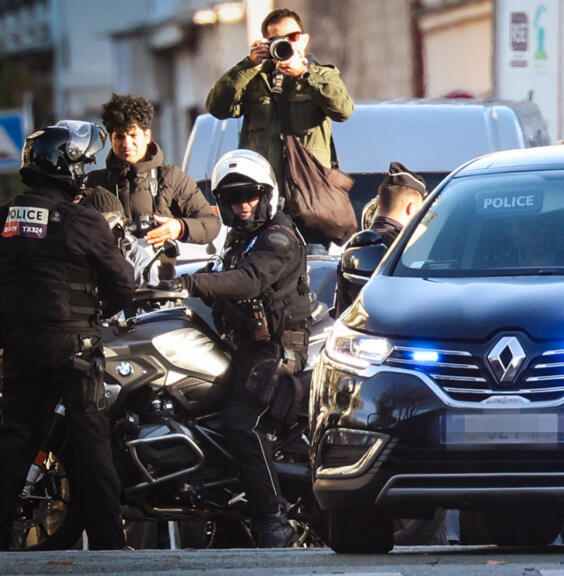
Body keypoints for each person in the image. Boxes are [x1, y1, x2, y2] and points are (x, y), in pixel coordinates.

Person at [155, 149, 310, 547]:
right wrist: (161, 278)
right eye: (233, 198)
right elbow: (216, 272)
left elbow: (248, 281)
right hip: (243, 348)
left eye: (251, 196)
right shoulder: (242, 239)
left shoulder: (277, 236)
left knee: (243, 422)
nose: (243, 205)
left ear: (267, 194)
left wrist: (190, 286)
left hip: (275, 352)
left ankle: (272, 520)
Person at [0, 121, 136, 550]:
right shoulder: (82, 220)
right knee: (91, 443)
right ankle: (108, 546)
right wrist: (94, 317)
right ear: (67, 167)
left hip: (19, 346)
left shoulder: (5, 216)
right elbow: (123, 286)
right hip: (74, 348)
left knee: (15, 440)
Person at [206, 7, 355, 249]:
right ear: (266, 43)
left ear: (304, 39)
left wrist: (304, 75)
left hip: (308, 199)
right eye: (277, 39)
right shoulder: (255, 80)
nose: (286, 43)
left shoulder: (321, 75)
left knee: (311, 269)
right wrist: (248, 64)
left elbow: (343, 110)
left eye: (293, 37)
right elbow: (217, 107)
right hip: (262, 200)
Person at [83, 93, 221, 278]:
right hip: (108, 285)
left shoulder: (171, 177)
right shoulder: (95, 182)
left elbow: (212, 224)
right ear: (110, 139)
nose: (126, 143)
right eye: (119, 137)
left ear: (147, 135)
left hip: (158, 286)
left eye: (133, 135)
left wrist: (179, 227)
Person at [333, 161, 426, 316]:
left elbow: (341, 309)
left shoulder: (354, 244)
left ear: (379, 202)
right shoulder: (405, 248)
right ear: (412, 208)